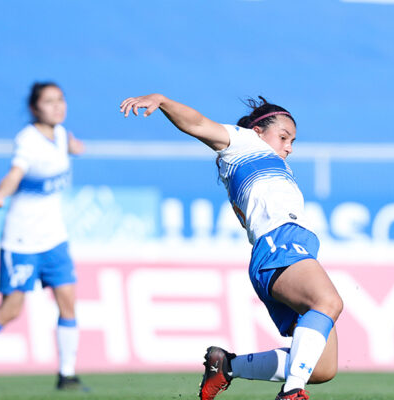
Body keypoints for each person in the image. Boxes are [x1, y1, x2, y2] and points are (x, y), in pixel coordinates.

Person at [119, 94, 342, 400]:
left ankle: (228, 366)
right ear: (258, 132)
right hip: (280, 244)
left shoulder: (265, 161)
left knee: (321, 368)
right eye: (283, 137)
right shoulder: (245, 143)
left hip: (286, 249)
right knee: (328, 302)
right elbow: (198, 123)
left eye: (293, 141)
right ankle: (291, 392)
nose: (289, 146)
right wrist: (163, 101)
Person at [0, 82, 87, 392]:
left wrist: (74, 148)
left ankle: (66, 375)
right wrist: (2, 193)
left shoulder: (60, 134)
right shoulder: (27, 141)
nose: (58, 106)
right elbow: (16, 172)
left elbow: (67, 146)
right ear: (34, 108)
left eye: (61, 100)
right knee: (11, 309)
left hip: (54, 237)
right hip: (22, 240)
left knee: (68, 300)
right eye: (49, 101)